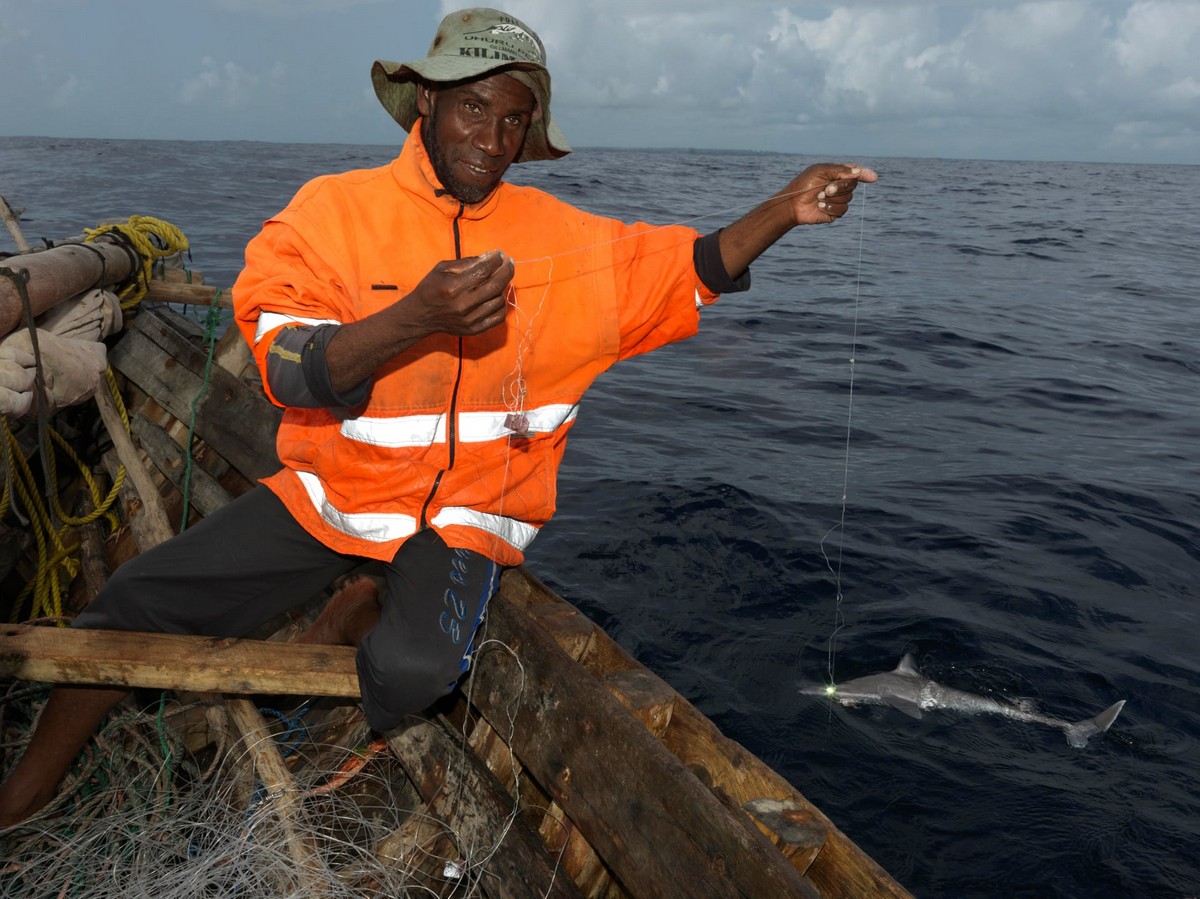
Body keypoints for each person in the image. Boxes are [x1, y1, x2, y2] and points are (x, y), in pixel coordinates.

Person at [0, 6, 876, 827]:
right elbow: (288, 366)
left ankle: (344, 637)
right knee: (129, 603)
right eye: (473, 109)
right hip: (329, 497)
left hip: (465, 523)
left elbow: (687, 267)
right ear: (426, 101)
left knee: (417, 669)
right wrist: (413, 318)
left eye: (513, 120)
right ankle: (29, 789)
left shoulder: (563, 236)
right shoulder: (331, 214)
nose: (492, 140)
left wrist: (785, 209)